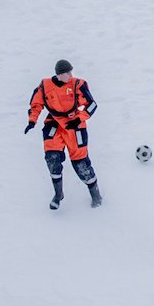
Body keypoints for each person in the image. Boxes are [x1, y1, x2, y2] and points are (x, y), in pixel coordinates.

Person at [25, 59, 102, 209]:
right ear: (59, 75)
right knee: (52, 159)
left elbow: (92, 105)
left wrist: (79, 118)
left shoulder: (77, 84)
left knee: (81, 164)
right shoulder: (44, 86)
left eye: (71, 72)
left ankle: (95, 194)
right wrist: (32, 121)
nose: (70, 75)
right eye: (67, 73)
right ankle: (58, 194)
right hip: (54, 123)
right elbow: (36, 104)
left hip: (74, 125)